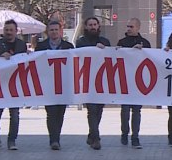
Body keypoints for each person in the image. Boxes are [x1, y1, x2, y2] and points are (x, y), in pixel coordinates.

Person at [35, 20, 74, 150]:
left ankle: (56, 136)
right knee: (51, 112)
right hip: (48, 85)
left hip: (63, 85)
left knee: (60, 113)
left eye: (56, 29)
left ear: (60, 31)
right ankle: (54, 140)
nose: (54, 32)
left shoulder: (68, 46)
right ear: (48, 32)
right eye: (51, 30)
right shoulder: (41, 46)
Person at [0, 19, 27, 150]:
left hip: (15, 85)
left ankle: (12, 141)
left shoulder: (22, 45)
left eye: (11, 30)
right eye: (6, 30)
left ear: (16, 31)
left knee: (15, 115)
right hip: (0, 84)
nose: (9, 32)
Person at [76, 17, 111, 150]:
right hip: (86, 80)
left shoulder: (105, 41)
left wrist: (105, 49)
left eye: (95, 24)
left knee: (99, 110)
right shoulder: (81, 42)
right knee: (91, 110)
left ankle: (91, 135)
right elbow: (81, 53)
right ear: (86, 27)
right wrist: (94, 49)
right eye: (90, 25)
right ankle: (96, 138)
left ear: (98, 26)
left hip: (101, 80)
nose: (92, 27)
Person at [117, 18, 151, 148]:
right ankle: (124, 133)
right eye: (127, 26)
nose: (128, 29)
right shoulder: (122, 42)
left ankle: (135, 136)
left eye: (131, 26)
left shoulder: (145, 43)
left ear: (138, 27)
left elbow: (150, 59)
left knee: (136, 110)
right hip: (125, 80)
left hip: (138, 81)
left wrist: (142, 51)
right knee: (125, 110)